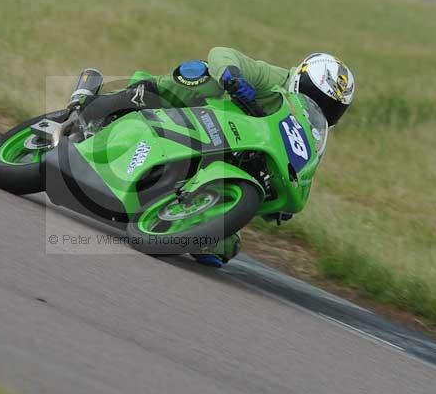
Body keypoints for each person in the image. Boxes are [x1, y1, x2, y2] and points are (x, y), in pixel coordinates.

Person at [79, 47, 356, 267]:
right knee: (198, 74)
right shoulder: (274, 80)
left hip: (227, 165)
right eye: (316, 96)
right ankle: (109, 103)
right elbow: (222, 53)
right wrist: (232, 77)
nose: (321, 108)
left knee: (223, 250)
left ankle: (173, 211)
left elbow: (300, 174)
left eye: (332, 108)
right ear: (300, 79)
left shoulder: (314, 137)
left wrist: (279, 202)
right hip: (205, 120)